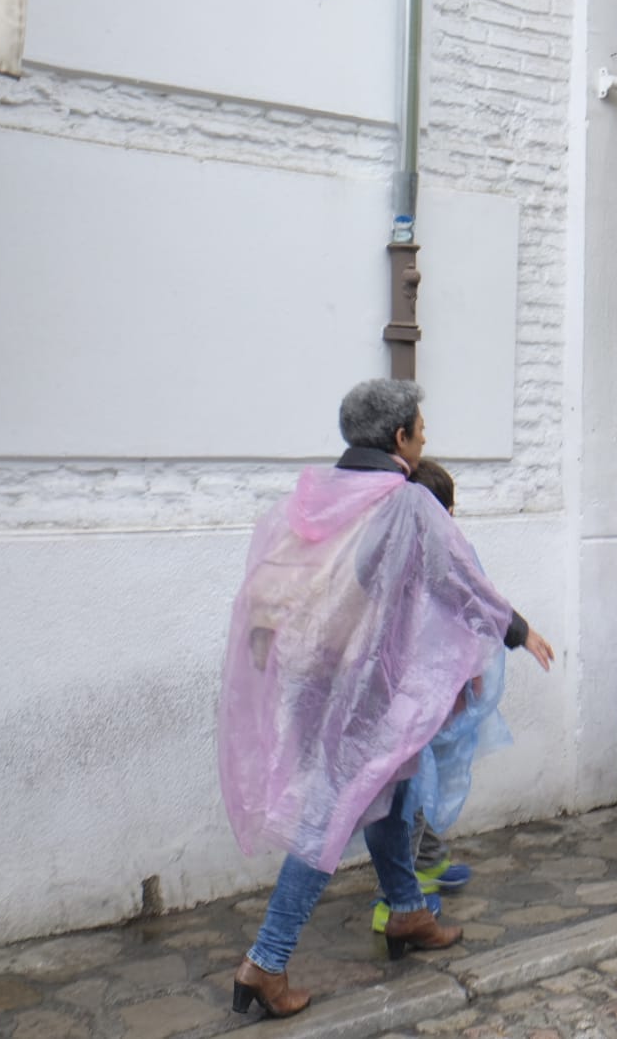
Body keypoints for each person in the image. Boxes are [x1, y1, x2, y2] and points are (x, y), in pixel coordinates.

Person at [219, 379, 554, 1020]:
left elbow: (277, 578)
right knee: (332, 814)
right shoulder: (405, 503)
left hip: (315, 675)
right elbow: (457, 578)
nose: (424, 440)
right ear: (399, 439)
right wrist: (516, 629)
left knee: (391, 793)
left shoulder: (318, 496)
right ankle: (266, 960)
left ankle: (406, 913)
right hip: (366, 686)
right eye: (420, 432)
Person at [362, 458, 526, 935]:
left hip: (413, 688)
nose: (453, 520)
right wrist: (474, 670)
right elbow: (468, 609)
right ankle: (396, 899)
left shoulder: (398, 550)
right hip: (409, 692)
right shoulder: (424, 557)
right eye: (449, 510)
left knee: (423, 783)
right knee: (409, 790)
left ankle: (427, 860)